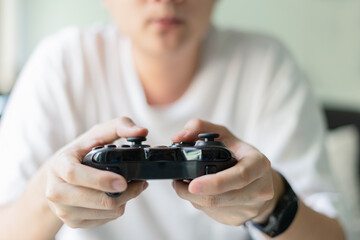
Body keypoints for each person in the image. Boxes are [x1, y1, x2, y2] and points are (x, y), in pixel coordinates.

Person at [0, 0, 346, 239]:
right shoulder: (60, 64)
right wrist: (51, 196)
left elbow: (335, 234)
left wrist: (272, 204)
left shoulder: (268, 67)